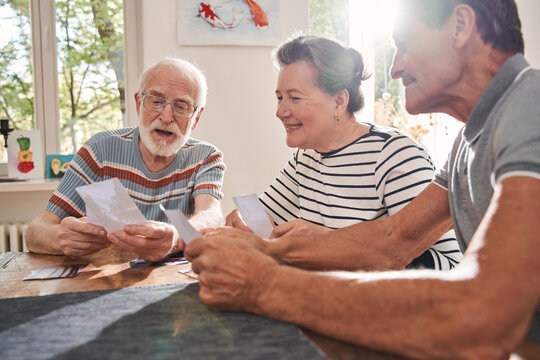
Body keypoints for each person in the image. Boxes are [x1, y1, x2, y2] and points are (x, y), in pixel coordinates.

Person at [185, 0, 540, 358]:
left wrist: (263, 283)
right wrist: (264, 250)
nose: (396, 68)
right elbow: (393, 239)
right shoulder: (469, 140)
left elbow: (484, 318)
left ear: (461, 25)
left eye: (406, 42)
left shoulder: (531, 108)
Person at [226, 35, 461, 271]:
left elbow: (451, 266)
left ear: (339, 101)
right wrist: (243, 219)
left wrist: (328, 245)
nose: (280, 111)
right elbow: (264, 216)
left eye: (294, 98)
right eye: (279, 98)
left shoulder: (393, 155)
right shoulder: (307, 157)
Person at [26, 57, 225, 262]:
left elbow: (211, 217)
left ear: (196, 117)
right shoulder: (99, 150)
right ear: (139, 103)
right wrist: (62, 239)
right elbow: (36, 232)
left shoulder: (206, 157)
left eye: (181, 106)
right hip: (103, 281)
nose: (166, 117)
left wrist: (176, 237)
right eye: (156, 102)